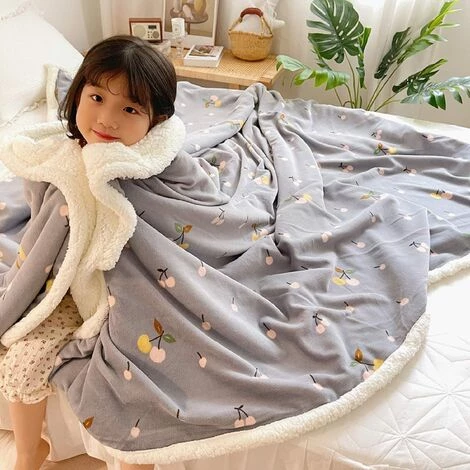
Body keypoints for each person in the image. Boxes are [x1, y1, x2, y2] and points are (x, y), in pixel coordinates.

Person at [0, 34, 178, 470]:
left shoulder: (148, 167)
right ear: (78, 92)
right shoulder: (60, 160)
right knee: (22, 361)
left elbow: (181, 224)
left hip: (132, 293)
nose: (107, 119)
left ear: (155, 121)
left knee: (143, 377)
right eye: (97, 97)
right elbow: (43, 226)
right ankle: (29, 452)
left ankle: (137, 458)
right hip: (65, 289)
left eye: (130, 109)